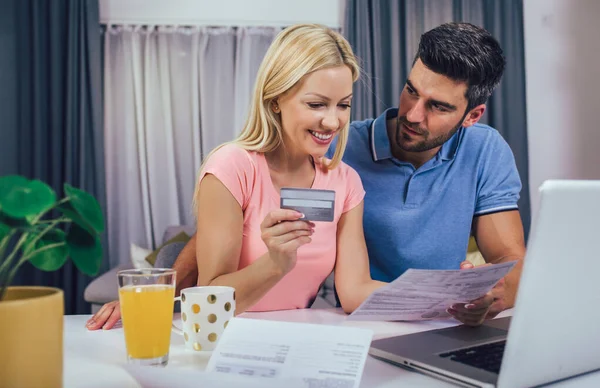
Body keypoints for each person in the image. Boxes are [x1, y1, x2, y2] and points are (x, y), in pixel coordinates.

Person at [87, 23, 386, 330]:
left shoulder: (346, 182)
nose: (333, 120)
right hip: (226, 340)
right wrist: (276, 263)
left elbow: (354, 291)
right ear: (275, 100)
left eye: (344, 105)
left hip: (299, 340)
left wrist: (431, 299)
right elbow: (208, 301)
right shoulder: (232, 167)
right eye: (316, 104)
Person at [326, 22, 526, 326]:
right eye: (411, 91)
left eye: (438, 107)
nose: (412, 114)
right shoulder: (340, 148)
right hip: (352, 323)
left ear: (472, 115)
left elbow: (508, 258)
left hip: (440, 326)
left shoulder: (486, 150)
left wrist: (492, 296)